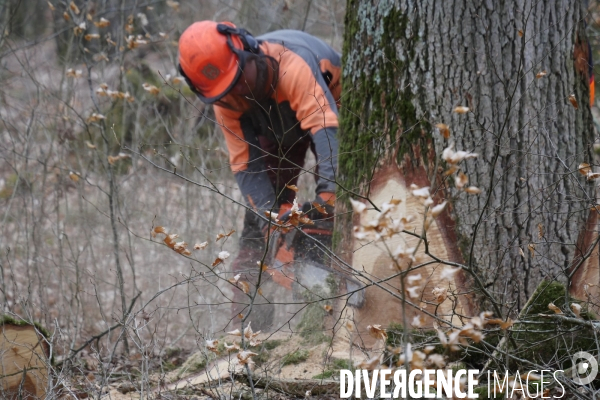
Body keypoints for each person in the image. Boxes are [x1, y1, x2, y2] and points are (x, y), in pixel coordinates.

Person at [178, 20, 340, 326]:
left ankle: (332, 325)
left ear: (249, 51)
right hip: (276, 129)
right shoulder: (227, 99)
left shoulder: (293, 63)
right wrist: (273, 223)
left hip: (333, 114)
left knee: (334, 208)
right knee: (256, 238)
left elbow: (326, 130)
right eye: (226, 92)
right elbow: (246, 166)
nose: (236, 92)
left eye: (238, 79)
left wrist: (328, 202)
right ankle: (249, 336)